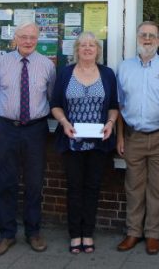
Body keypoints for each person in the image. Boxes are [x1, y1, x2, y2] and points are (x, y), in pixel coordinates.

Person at [0, 22, 56, 257]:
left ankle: (33, 232)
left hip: (35, 129)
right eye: (24, 37)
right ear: (15, 38)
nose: (28, 41)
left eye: (33, 38)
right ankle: (6, 234)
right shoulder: (0, 63)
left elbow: (51, 96)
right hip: (8, 128)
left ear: (38, 39)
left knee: (34, 182)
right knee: (6, 182)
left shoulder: (47, 65)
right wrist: (11, 112)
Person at [50, 32, 119, 254]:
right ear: (77, 50)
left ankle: (87, 233)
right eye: (83, 45)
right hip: (72, 141)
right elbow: (55, 104)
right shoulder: (65, 73)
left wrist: (110, 123)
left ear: (98, 50)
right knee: (74, 188)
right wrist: (64, 122)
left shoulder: (107, 74)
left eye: (92, 45)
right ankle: (75, 234)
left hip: (98, 142)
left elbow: (113, 105)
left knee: (92, 187)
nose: (87, 48)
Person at [115, 21, 159, 255]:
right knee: (133, 187)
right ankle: (133, 232)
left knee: (158, 188)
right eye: (143, 35)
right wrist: (120, 136)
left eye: (153, 36)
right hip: (133, 136)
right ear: (137, 38)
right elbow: (119, 105)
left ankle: (153, 234)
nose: (148, 39)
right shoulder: (124, 68)